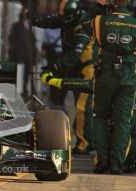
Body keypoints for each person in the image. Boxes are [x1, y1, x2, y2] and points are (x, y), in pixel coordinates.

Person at [42, 62, 136, 173]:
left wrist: (50, 80)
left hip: (115, 141)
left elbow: (78, 84)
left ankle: (109, 162)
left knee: (102, 124)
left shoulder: (108, 86)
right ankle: (127, 162)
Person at [82, 0, 136, 174]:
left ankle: (102, 163)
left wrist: (98, 8)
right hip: (128, 79)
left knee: (100, 116)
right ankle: (117, 165)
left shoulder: (99, 21)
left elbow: (83, 22)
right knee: (123, 120)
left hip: (105, 78)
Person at [34, 0, 97, 155]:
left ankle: (84, 144)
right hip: (73, 68)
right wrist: (34, 18)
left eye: (65, 17)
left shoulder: (83, 27)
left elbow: (75, 55)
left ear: (74, 15)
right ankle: (87, 140)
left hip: (86, 70)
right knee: (79, 106)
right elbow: (51, 21)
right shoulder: (67, 18)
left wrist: (55, 67)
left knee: (83, 107)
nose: (62, 20)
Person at [8, 7, 32, 98]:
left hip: (28, 56)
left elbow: (32, 41)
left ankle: (25, 94)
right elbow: (11, 39)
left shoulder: (30, 27)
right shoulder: (16, 26)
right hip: (18, 56)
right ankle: (18, 95)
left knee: (26, 77)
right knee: (18, 76)